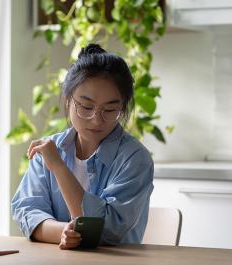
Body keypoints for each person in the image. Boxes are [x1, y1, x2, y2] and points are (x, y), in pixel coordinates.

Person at [11, 43, 154, 249]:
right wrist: (64, 233)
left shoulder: (135, 159)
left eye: (110, 109)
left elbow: (106, 229)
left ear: (122, 107)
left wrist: (59, 168)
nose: (96, 120)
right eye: (86, 107)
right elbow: (27, 210)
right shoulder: (51, 148)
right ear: (69, 100)